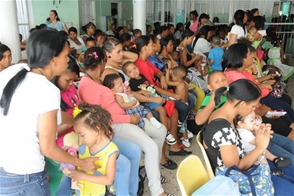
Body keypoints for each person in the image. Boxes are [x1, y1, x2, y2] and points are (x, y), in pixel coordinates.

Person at [0, 30, 97, 195]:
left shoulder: (14, 71)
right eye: (66, 55)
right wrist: (80, 162)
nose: (68, 60)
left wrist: (75, 121)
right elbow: (48, 148)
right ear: (53, 58)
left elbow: (42, 114)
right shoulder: (47, 89)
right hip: (26, 177)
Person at [77, 46, 172, 196]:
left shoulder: (95, 78)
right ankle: (157, 190)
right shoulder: (89, 85)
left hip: (126, 115)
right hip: (116, 124)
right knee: (151, 147)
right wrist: (129, 118)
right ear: (102, 62)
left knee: (160, 131)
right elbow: (102, 116)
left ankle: (152, 168)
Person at [202, 79, 294, 195]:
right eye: (253, 106)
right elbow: (236, 167)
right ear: (242, 104)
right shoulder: (223, 130)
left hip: (246, 161)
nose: (254, 109)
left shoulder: (224, 113)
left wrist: (256, 131)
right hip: (238, 179)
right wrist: (260, 148)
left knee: (289, 168)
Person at [67, 102, 118, 195]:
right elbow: (82, 150)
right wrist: (71, 150)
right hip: (80, 191)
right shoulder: (87, 143)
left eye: (82, 135)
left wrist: (82, 176)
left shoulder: (111, 151)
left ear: (96, 129)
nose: (80, 139)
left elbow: (108, 179)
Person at [122, 61, 178, 147]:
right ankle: (166, 133)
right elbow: (133, 94)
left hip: (154, 96)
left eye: (134, 68)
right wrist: (141, 92)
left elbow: (150, 87)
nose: (134, 71)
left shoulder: (143, 77)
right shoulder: (131, 82)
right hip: (147, 102)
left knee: (171, 105)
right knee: (161, 110)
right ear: (127, 75)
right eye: (130, 71)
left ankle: (177, 124)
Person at [165, 65, 192, 148]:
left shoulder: (178, 82)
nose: (171, 77)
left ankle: (186, 140)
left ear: (176, 77)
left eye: (172, 75)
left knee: (182, 125)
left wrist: (167, 72)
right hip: (186, 104)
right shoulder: (184, 82)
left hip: (183, 106)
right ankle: (188, 134)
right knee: (184, 124)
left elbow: (167, 82)